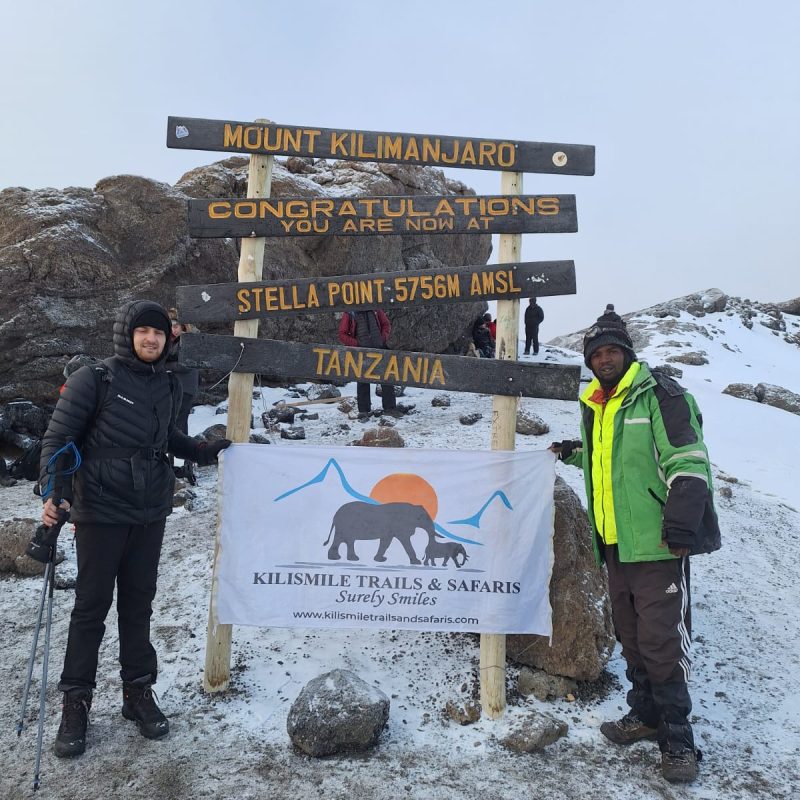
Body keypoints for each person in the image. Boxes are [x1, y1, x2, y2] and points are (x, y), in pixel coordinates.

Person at [39, 300, 231, 758]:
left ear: (168, 339)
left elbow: (167, 439)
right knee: (91, 608)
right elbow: (59, 440)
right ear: (127, 334)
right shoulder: (95, 379)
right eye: (143, 331)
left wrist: (201, 450)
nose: (151, 339)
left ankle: (138, 692)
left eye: (159, 333)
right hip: (100, 512)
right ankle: (75, 702)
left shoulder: (167, 384)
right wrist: (55, 491)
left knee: (138, 604)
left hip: (150, 512)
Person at [550, 319, 720, 784]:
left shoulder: (660, 395)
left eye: (611, 351)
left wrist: (681, 524)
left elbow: (688, 460)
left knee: (662, 641)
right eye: (595, 354)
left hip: (659, 544)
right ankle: (644, 714)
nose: (603, 359)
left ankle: (677, 738)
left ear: (626, 352)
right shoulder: (599, 403)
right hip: (615, 544)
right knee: (630, 634)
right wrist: (574, 452)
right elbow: (611, 460)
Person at [338, 309, 400, 418]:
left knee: (386, 378)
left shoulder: (375, 308)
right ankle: (364, 411)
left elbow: (386, 324)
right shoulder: (350, 312)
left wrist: (382, 339)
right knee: (362, 381)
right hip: (361, 353)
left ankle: (390, 409)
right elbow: (342, 334)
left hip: (379, 350)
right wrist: (357, 344)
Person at [166, 310, 200, 485]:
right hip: (173, 388)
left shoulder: (190, 340)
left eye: (176, 326)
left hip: (185, 388)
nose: (174, 329)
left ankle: (185, 463)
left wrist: (165, 365)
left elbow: (185, 365)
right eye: (171, 326)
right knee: (175, 424)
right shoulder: (170, 341)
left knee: (177, 425)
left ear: (184, 326)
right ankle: (178, 464)